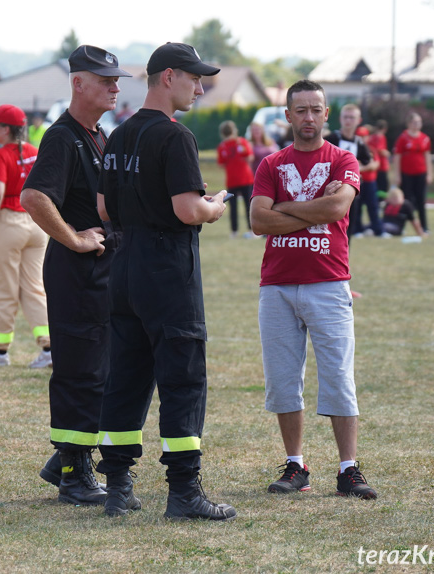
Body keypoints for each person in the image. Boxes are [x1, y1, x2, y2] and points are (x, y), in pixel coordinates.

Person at [95, 42, 236, 521]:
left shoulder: (117, 134)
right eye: (195, 78)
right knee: (183, 378)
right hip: (167, 269)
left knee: (126, 378)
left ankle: (116, 487)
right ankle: (184, 492)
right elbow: (187, 210)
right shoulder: (176, 137)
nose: (200, 87)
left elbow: (103, 210)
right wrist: (214, 207)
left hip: (124, 266)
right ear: (168, 76)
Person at [249, 79, 377, 500]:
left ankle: (348, 469)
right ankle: (295, 464)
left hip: (329, 282)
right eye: (300, 109)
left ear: (326, 113)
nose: (308, 116)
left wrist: (283, 207)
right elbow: (258, 222)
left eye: (315, 109)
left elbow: (338, 207)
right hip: (278, 286)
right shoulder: (270, 164)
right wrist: (309, 210)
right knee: (284, 381)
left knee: (339, 377)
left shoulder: (343, 159)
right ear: (287, 116)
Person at [20, 45, 130, 506]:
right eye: (105, 80)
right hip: (76, 271)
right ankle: (73, 473)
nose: (115, 86)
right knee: (79, 372)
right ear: (77, 83)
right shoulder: (63, 137)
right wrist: (75, 239)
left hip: (101, 274)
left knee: (100, 369)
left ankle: (66, 456)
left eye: (116, 79)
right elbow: (34, 197)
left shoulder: (97, 134)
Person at [0, 104, 50, 368]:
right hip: (37, 224)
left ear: (6, 129)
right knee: (35, 288)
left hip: (9, 222)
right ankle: (50, 348)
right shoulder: (35, 152)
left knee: (3, 289)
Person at [324, 104, 377, 238]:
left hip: (351, 190)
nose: (348, 121)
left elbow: (369, 162)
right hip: (331, 190)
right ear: (340, 119)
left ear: (358, 121)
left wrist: (355, 169)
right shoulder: (331, 139)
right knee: (329, 227)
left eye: (352, 118)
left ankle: (345, 256)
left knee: (348, 228)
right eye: (346, 117)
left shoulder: (359, 143)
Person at [392, 112, 432, 234]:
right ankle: (402, 226)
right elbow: (397, 157)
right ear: (409, 123)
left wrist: (429, 174)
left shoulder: (425, 138)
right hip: (406, 174)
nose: (417, 124)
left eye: (419, 122)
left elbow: (427, 156)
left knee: (421, 201)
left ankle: (424, 227)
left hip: (421, 173)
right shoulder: (403, 138)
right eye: (414, 122)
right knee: (406, 201)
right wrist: (397, 174)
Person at [216, 120, 255, 239]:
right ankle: (251, 230)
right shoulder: (242, 142)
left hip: (233, 179)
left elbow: (221, 164)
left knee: (233, 208)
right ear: (234, 130)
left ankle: (234, 231)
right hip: (245, 178)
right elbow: (250, 157)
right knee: (249, 206)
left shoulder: (222, 147)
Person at [355, 125, 383, 237]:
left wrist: (361, 168)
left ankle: (378, 230)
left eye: (364, 136)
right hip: (358, 182)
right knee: (357, 207)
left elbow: (376, 164)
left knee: (373, 206)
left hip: (370, 181)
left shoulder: (371, 149)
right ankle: (357, 230)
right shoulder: (353, 148)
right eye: (360, 136)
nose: (362, 139)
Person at [369, 119, 391, 196]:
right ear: (385, 129)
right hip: (381, 165)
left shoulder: (371, 137)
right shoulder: (380, 137)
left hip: (375, 164)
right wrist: (387, 153)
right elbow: (380, 150)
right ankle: (381, 201)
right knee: (383, 186)